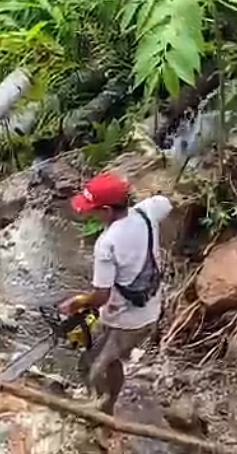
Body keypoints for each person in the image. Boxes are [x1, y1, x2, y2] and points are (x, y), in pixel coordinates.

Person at [58, 172, 173, 414]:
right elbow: (166, 202)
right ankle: (107, 394)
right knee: (101, 352)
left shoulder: (106, 243)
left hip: (128, 321)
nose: (89, 213)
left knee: (93, 367)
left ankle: (105, 411)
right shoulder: (146, 212)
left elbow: (101, 296)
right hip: (151, 308)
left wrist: (79, 301)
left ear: (108, 210)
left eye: (93, 209)